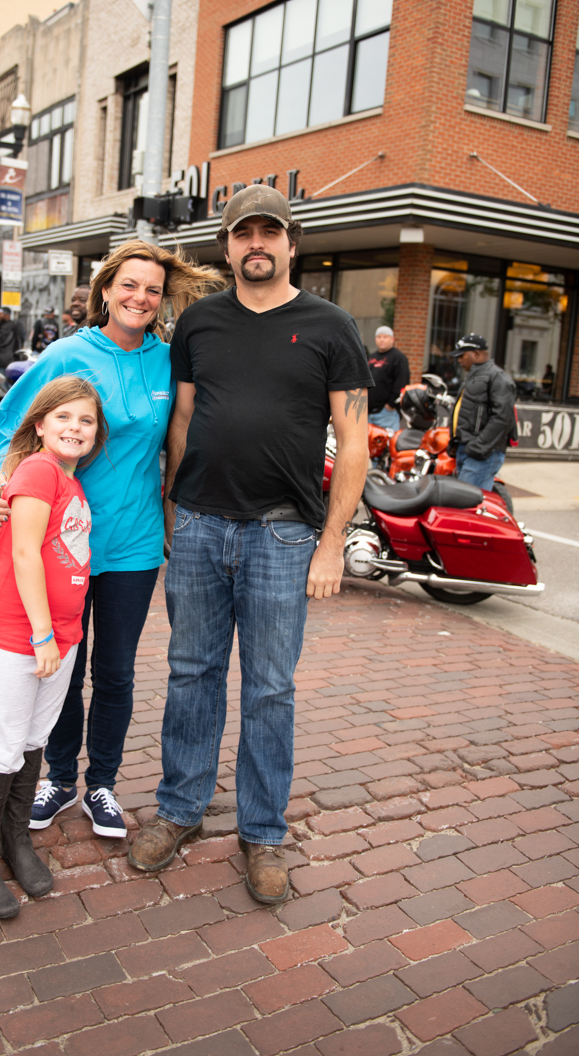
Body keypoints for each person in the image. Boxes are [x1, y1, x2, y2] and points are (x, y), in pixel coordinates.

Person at [128, 185, 373, 905]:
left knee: (270, 688)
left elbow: (353, 441)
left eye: (270, 232)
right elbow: (180, 422)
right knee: (191, 674)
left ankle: (262, 833)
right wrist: (172, 513)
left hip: (283, 532)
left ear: (291, 243)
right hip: (200, 526)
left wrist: (332, 542)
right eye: (244, 233)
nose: (256, 243)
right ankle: (180, 809)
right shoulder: (199, 322)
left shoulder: (331, 325)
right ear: (228, 245)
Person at [0, 241, 222, 839]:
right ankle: (60, 777)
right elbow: (11, 422)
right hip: (63, 545)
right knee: (63, 668)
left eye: (152, 290)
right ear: (107, 289)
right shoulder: (69, 353)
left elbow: (184, 435)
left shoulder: (168, 363)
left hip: (135, 543)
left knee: (115, 673)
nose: (140, 298)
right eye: (129, 285)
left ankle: (102, 785)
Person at [0, 376, 107, 919]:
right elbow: (24, 554)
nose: (75, 427)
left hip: (62, 636)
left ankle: (14, 839)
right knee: (4, 745)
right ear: (40, 425)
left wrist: (60, 636)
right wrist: (42, 633)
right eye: (63, 417)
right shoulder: (39, 471)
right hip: (21, 632)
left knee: (33, 739)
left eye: (86, 420)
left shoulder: (70, 480)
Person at [450, 334, 516, 490]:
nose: (459, 360)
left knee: (466, 502)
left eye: (462, 355)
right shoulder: (474, 376)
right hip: (469, 449)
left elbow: (503, 418)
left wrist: (477, 447)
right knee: (462, 499)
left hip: (482, 454)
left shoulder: (497, 377)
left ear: (476, 354)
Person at [367, 326, 409, 431]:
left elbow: (402, 382)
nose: (381, 339)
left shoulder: (398, 358)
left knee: (386, 441)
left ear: (392, 339)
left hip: (385, 413)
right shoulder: (371, 357)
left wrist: (391, 405)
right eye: (379, 337)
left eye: (385, 337)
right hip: (367, 412)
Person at [0, 306, 25, 371]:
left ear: (7, 315)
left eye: (0, 314)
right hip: (7, 360)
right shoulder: (4, 325)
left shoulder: (7, 327)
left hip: (5, 361)